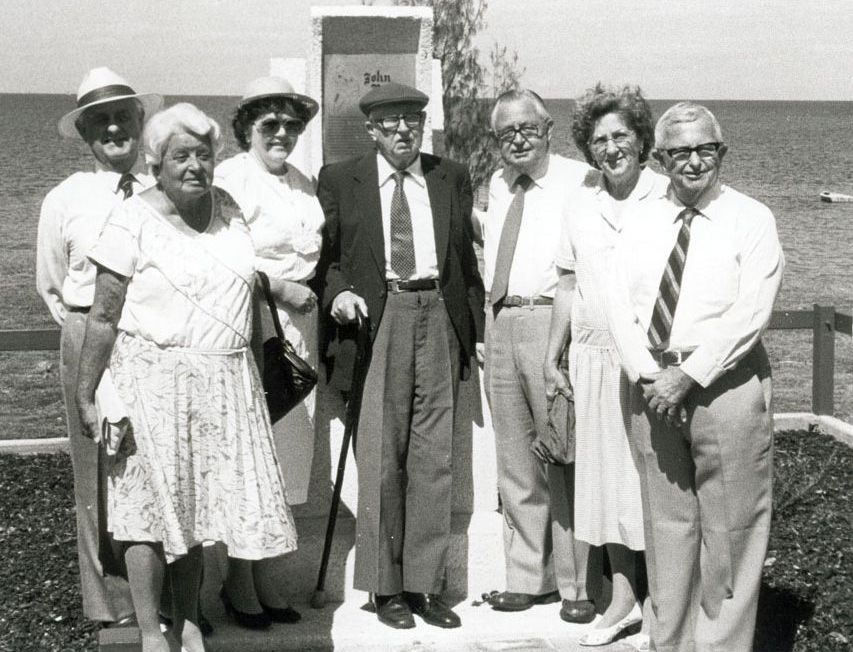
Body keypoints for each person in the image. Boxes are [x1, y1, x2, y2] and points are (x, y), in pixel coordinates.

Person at [75, 103, 298, 652]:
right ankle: (153, 633)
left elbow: (242, 280)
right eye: (181, 155)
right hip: (150, 382)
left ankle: (189, 618)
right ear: (156, 164)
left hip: (223, 380)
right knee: (145, 514)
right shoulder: (131, 219)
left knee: (197, 510)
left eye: (204, 154)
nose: (195, 165)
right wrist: (87, 394)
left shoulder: (227, 207)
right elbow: (103, 315)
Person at [605, 102, 784, 652]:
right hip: (650, 389)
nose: (692, 162)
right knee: (667, 530)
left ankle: (722, 645)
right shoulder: (638, 220)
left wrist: (690, 374)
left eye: (705, 149)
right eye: (679, 151)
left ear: (721, 152)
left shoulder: (751, 218)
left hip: (723, 388)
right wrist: (647, 373)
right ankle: (672, 642)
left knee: (731, 532)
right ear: (660, 157)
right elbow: (616, 304)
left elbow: (752, 310)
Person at [316, 82, 484, 630]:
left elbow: (466, 260)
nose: (404, 131)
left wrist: (475, 333)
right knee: (383, 455)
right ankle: (384, 588)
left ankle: (422, 584)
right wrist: (338, 293)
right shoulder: (342, 179)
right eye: (392, 123)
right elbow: (329, 259)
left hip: (438, 314)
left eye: (413, 120)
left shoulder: (450, 176)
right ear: (372, 131)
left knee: (435, 459)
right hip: (378, 318)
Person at [36, 66, 162, 628]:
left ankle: (157, 600)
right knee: (93, 466)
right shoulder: (65, 199)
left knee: (150, 463)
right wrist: (85, 336)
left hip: (151, 335)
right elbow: (53, 283)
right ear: (87, 135)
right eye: (101, 122)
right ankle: (106, 604)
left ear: (141, 122)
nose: (114, 129)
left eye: (123, 117)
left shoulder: (165, 193)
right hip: (89, 332)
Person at [545, 83, 668, 648]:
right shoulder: (581, 201)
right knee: (605, 485)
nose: (611, 147)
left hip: (650, 361)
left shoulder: (668, 196)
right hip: (593, 356)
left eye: (622, 135)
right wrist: (554, 355)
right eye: (600, 139)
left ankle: (662, 604)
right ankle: (622, 600)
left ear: (642, 140)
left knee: (656, 482)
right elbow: (568, 282)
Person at [477, 89, 596, 625]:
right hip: (501, 321)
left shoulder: (581, 180)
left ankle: (576, 584)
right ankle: (528, 578)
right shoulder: (498, 185)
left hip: (556, 324)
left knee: (563, 457)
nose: (518, 139)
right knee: (516, 462)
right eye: (506, 133)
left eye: (527, 128)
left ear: (549, 129)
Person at [214, 75, 322, 629]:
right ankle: (240, 585)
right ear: (247, 129)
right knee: (250, 459)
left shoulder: (303, 182)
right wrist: (278, 289)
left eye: (293, 125)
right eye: (270, 125)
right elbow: (218, 256)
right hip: (254, 330)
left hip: (301, 333)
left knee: (283, 464)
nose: (282, 134)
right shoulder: (230, 179)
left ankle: (266, 579)